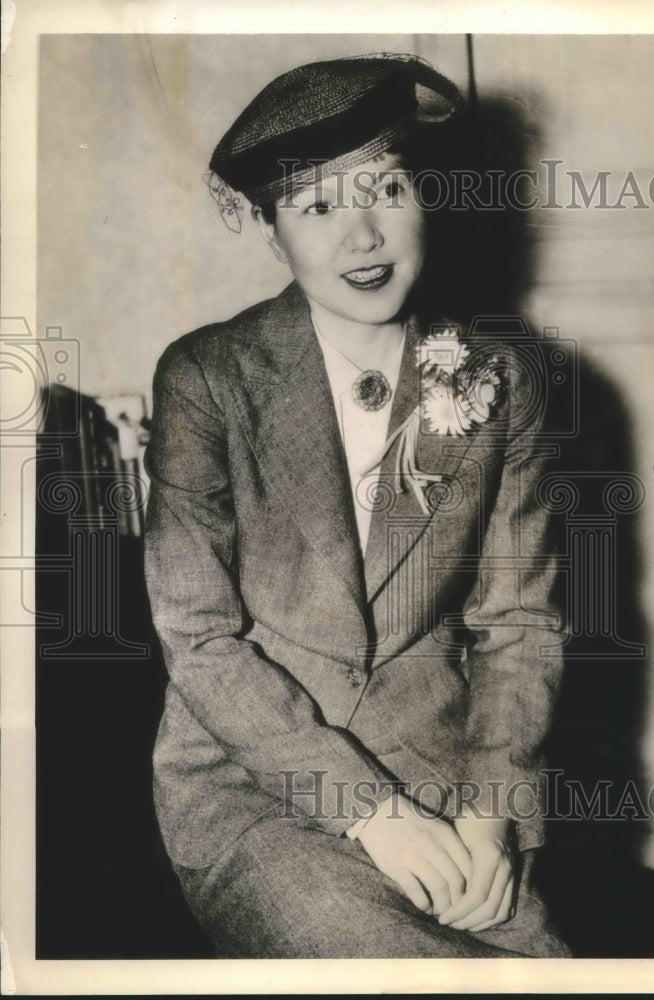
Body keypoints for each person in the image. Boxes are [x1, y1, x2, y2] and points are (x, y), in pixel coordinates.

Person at [144, 52, 571, 959]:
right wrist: (372, 812)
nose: (363, 237)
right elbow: (199, 640)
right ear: (272, 235)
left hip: (446, 778)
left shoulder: (501, 380)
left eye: (387, 189)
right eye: (316, 208)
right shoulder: (206, 379)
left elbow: (519, 625)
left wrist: (490, 816)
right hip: (256, 787)